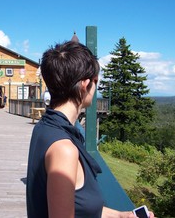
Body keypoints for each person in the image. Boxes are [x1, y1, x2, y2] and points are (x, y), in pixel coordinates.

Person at [26, 41, 155, 218]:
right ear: (85, 85)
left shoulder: (44, 127)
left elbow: (79, 206)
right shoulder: (64, 149)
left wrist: (121, 216)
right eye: (96, 81)